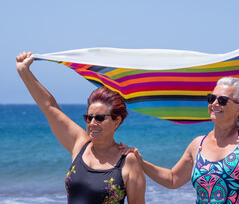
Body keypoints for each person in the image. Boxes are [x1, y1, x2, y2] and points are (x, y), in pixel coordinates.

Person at [121, 28, 239, 203]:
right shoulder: (198, 144)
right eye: (211, 98)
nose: (214, 103)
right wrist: (140, 161)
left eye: (222, 100)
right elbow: (173, 179)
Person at [16, 52, 146, 204]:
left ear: (116, 121)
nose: (92, 123)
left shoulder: (127, 161)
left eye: (99, 118)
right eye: (88, 118)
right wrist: (24, 72)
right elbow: (49, 106)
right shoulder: (80, 144)